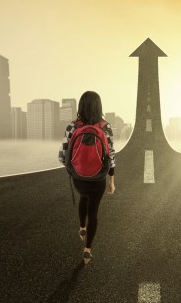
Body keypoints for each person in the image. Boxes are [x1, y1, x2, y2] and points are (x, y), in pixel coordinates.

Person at [58, 91, 116, 264]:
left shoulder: (72, 127)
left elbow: (62, 156)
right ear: (99, 106)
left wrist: (74, 168)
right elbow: (111, 155)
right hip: (98, 178)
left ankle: (81, 227)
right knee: (94, 212)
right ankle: (87, 250)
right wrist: (111, 179)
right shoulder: (105, 127)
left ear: (80, 106)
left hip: (78, 178)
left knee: (84, 196)